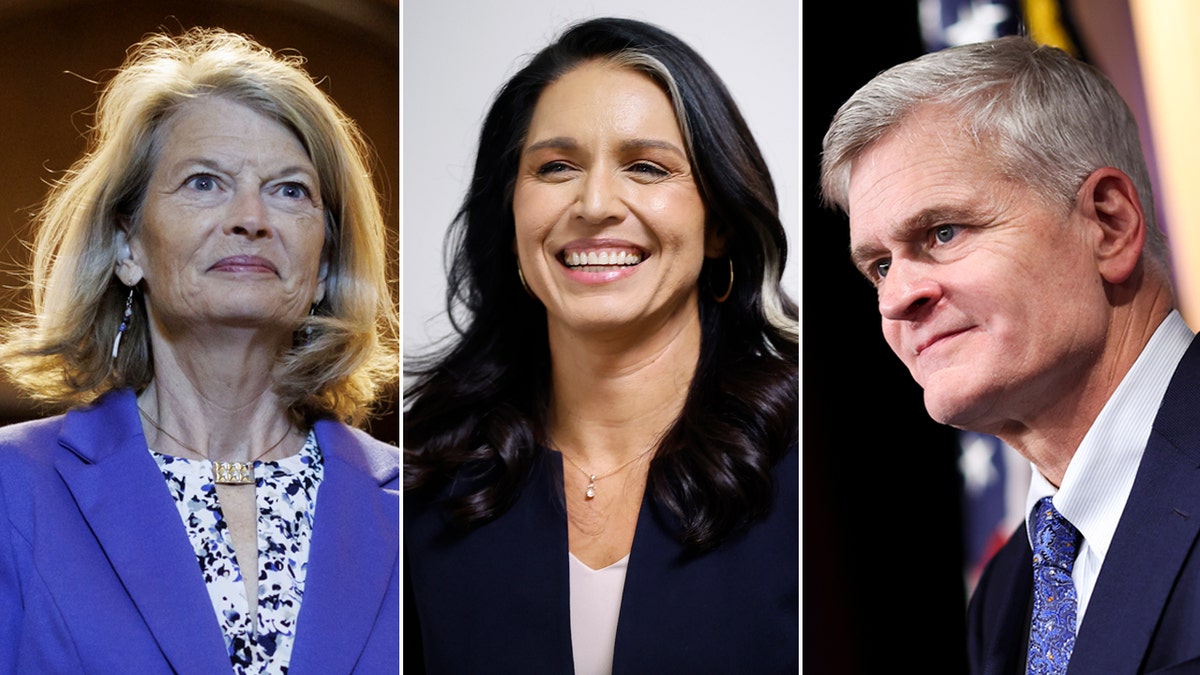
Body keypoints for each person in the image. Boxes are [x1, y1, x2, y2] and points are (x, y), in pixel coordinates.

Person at [404, 16, 798, 674]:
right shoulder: (417, 479)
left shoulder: (808, 464)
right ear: (509, 220)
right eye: (556, 167)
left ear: (721, 223)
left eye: (646, 167)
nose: (594, 203)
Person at [0, 28, 399, 673]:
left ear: (324, 263)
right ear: (128, 246)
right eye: (205, 182)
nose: (251, 217)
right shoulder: (12, 489)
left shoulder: (419, 503)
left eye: (290, 189)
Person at [821, 34, 1200, 673]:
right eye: (880, 266)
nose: (897, 299)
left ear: (1109, 225)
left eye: (943, 233)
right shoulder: (1007, 596)